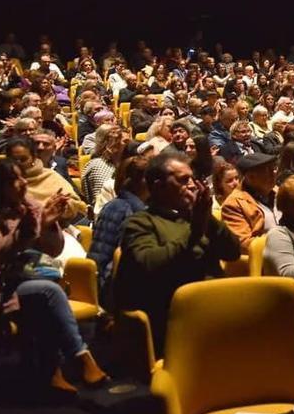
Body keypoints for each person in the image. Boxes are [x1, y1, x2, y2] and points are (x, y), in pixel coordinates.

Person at [0, 158, 108, 393]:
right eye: (14, 180)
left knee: (45, 293)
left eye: (21, 177)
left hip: (32, 275)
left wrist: (47, 224)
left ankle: (51, 370)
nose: (22, 183)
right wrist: (24, 233)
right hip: (0, 286)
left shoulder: (27, 207)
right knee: (48, 291)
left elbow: (53, 249)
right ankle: (81, 356)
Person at [115, 151, 241, 354]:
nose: (191, 185)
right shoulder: (140, 222)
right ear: (158, 185)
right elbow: (150, 264)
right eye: (183, 180)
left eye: (192, 179)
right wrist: (196, 231)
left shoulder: (197, 218)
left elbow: (233, 252)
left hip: (217, 307)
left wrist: (207, 218)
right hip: (174, 318)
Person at [88, 153, 148, 293]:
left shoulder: (126, 205)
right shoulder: (122, 209)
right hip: (111, 286)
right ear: (142, 181)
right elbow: (122, 262)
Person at [220, 151, 278, 253]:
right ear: (250, 177)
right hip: (266, 260)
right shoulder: (233, 204)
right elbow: (243, 244)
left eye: (273, 169)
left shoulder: (278, 192)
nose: (273, 173)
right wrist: (283, 244)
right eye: (267, 170)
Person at [81, 122, 124, 211]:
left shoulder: (122, 162)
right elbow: (104, 207)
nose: (131, 144)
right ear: (112, 144)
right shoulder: (99, 167)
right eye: (126, 141)